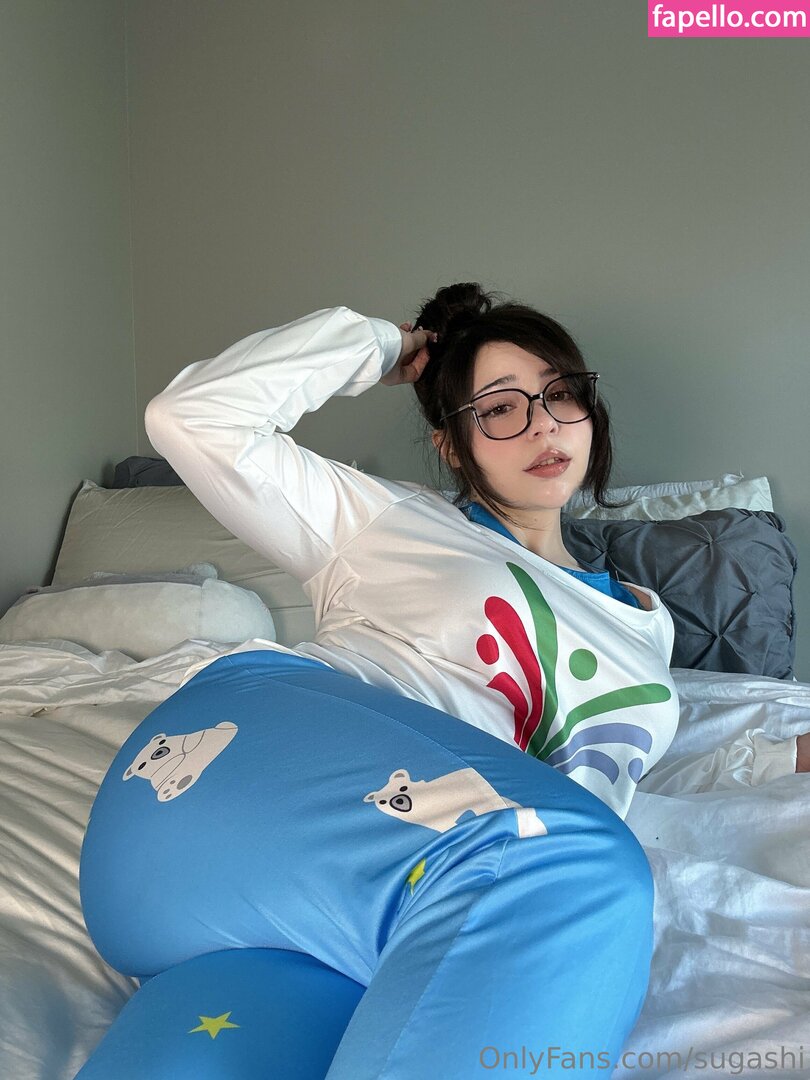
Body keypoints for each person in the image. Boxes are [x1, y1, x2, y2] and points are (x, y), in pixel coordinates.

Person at [75, 283, 796, 1080]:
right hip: (228, 780)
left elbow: (615, 770)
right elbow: (192, 418)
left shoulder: (645, 626)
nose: (543, 425)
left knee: (217, 1048)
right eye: (500, 408)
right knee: (573, 871)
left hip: (318, 910)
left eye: (561, 395)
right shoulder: (389, 519)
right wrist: (383, 347)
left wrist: (775, 757)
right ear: (451, 444)